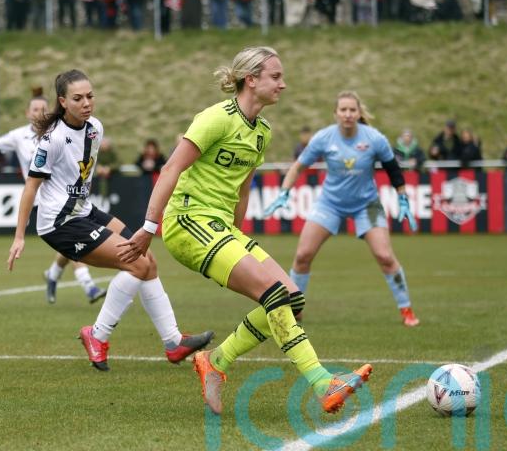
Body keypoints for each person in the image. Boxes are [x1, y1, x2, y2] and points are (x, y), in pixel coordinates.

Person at [119, 48, 371, 416]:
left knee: (292, 299)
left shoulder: (262, 132)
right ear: (251, 79)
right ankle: (323, 383)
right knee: (273, 294)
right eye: (276, 76)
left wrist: (236, 241)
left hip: (221, 228)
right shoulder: (215, 118)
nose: (283, 84)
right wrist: (148, 227)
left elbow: (243, 187)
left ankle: (215, 361)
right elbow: (171, 168)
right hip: (188, 221)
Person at [7, 70, 214, 372]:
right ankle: (98, 334)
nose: (86, 103)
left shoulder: (95, 128)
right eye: (78, 98)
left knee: (147, 260)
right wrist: (19, 236)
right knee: (137, 264)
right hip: (60, 223)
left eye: (90, 96)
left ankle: (173, 342)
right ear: (62, 102)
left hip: (84, 210)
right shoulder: (52, 140)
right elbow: (31, 187)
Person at [264, 91, 420, 329]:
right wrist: (284, 192)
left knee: (385, 257)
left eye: (352, 110)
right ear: (335, 113)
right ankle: (295, 310)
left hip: (366, 205)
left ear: (359, 113)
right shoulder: (324, 137)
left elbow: (394, 171)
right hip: (330, 204)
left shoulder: (374, 138)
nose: (348, 114)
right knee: (303, 255)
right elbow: (297, 167)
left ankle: (406, 310)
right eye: (343, 110)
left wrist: (403, 198)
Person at [0, 93, 106, 305]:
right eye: (35, 109)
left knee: (72, 244)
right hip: (45, 202)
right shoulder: (18, 136)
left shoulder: (60, 131)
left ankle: (53, 274)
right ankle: (89, 286)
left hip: (71, 198)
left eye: (44, 109)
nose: (40, 113)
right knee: (75, 239)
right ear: (27, 113)